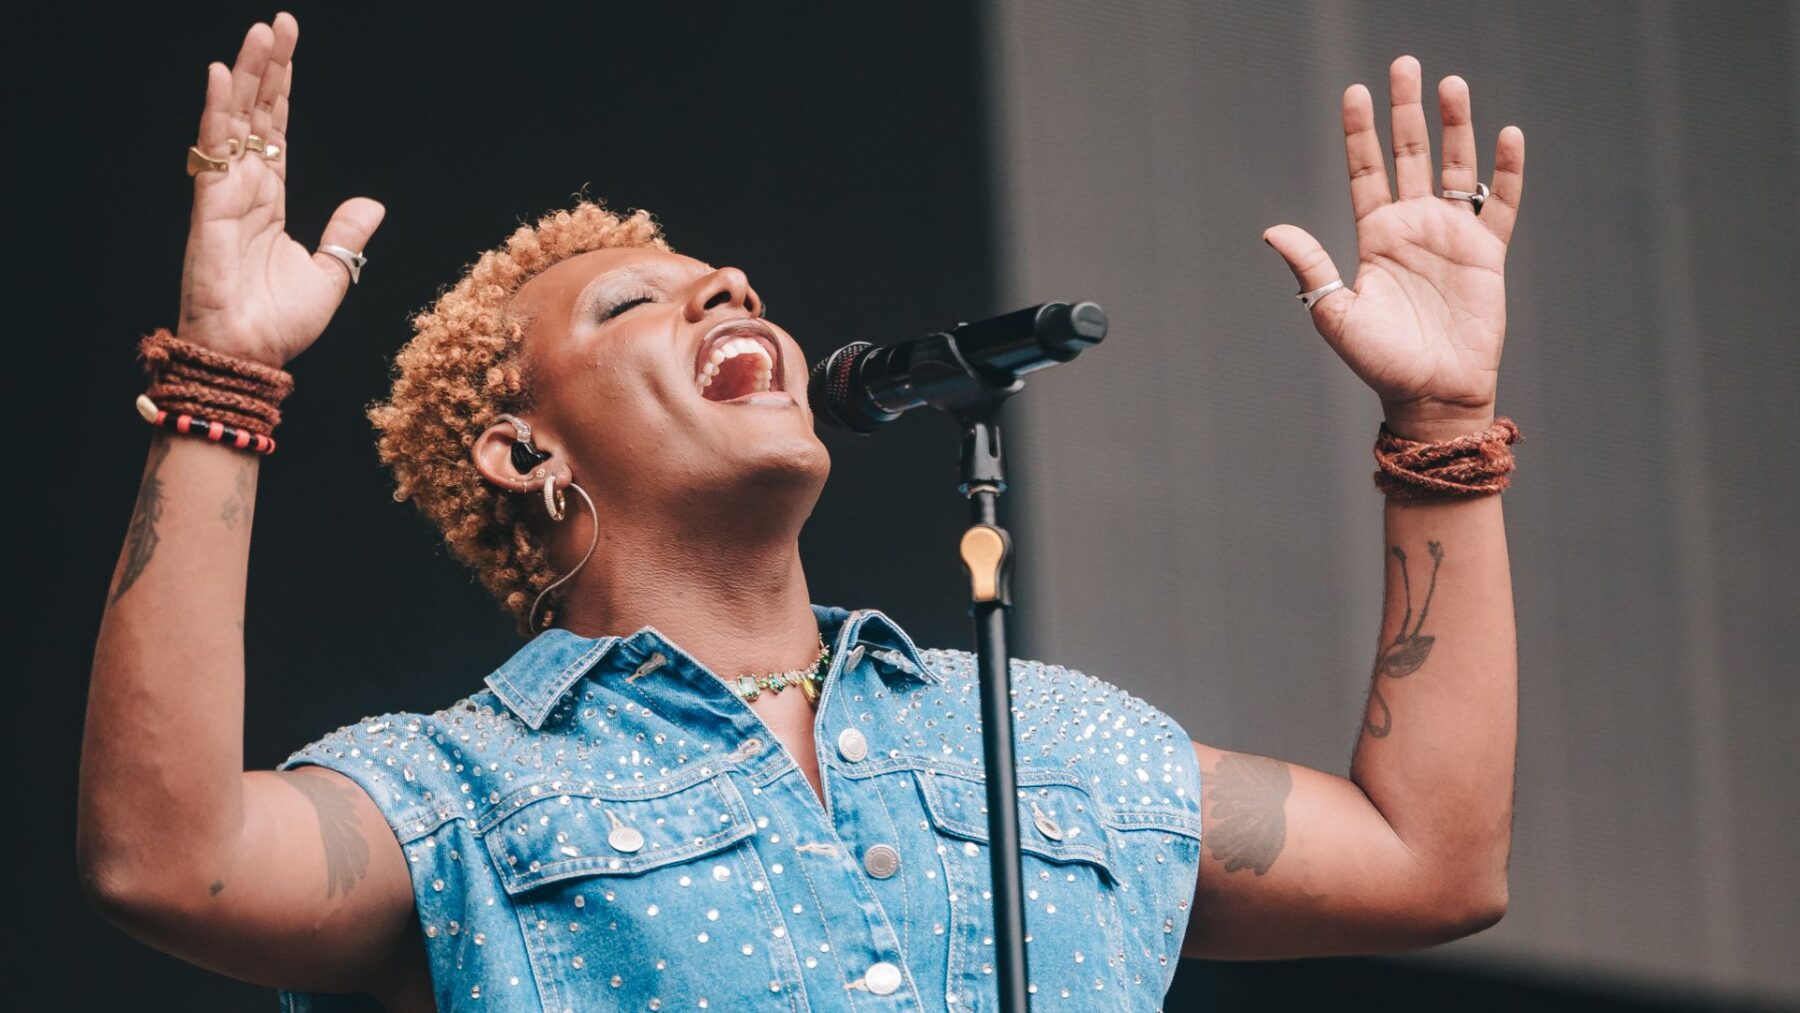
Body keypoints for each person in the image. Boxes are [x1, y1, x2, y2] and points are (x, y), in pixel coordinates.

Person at [75, 11, 1527, 1013]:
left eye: (740, 286)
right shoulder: (460, 792)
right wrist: (228, 381)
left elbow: (1432, 862)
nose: (732, 291)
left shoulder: (1042, 744)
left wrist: (1444, 423)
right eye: (639, 300)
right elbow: (165, 856)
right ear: (524, 454)